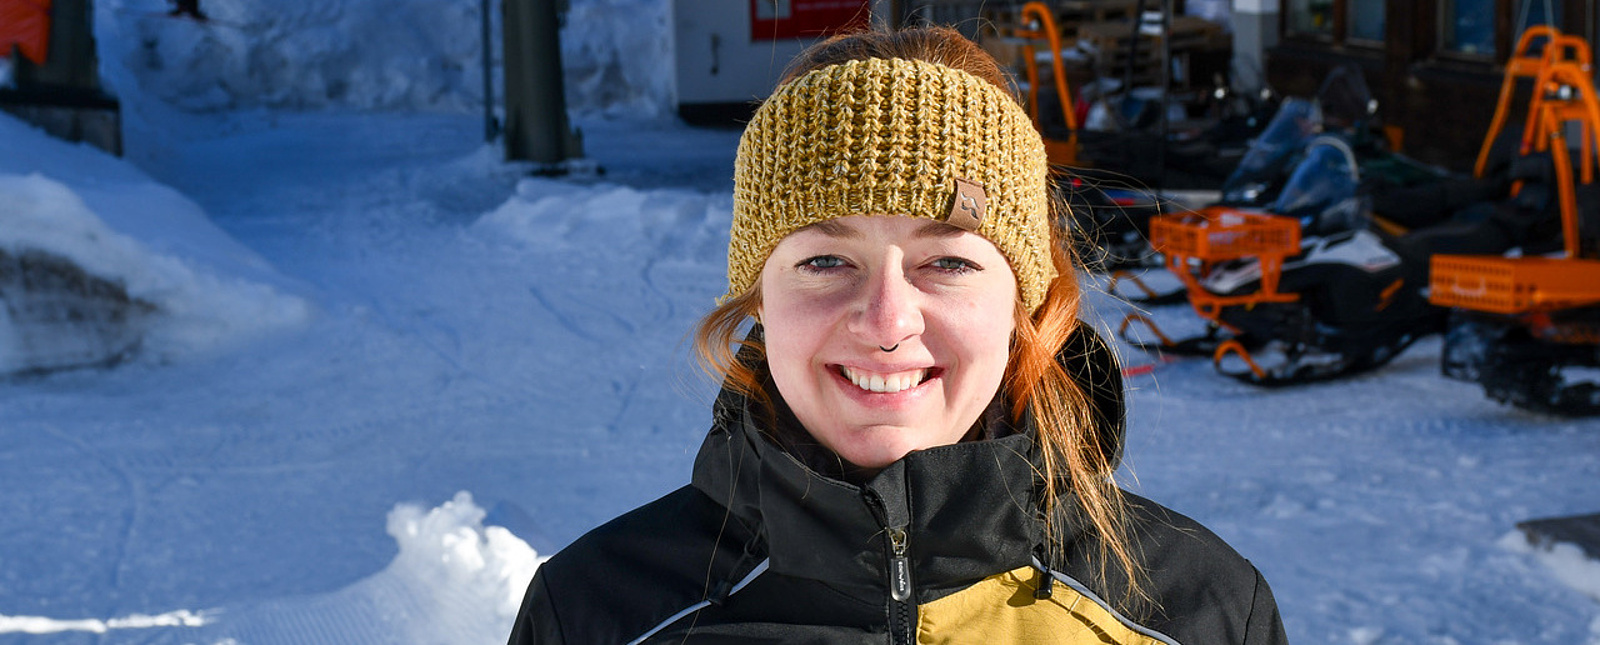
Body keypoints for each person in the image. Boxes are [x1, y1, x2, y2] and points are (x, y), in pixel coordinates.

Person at [508, 25, 1289, 644]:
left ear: (1022, 300)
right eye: (824, 259)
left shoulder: (1200, 613)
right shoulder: (592, 615)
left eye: (946, 261)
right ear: (758, 297)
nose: (886, 321)